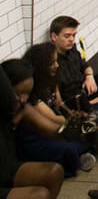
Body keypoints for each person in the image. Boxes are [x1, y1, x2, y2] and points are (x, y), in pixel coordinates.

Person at [17, 45, 98, 177]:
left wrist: (75, 115)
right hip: (39, 136)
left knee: (93, 131)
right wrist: (80, 122)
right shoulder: (32, 95)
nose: (57, 65)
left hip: (54, 127)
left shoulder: (51, 80)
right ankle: (73, 160)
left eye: (57, 61)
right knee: (72, 147)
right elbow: (54, 120)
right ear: (41, 66)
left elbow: (60, 105)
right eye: (52, 63)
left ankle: (80, 153)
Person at [0, 60, 64, 199]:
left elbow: (54, 130)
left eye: (27, 94)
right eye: (18, 93)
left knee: (54, 171)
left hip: (6, 168)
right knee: (39, 195)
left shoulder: (23, 109)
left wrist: (79, 129)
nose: (23, 99)